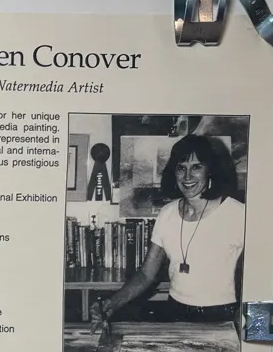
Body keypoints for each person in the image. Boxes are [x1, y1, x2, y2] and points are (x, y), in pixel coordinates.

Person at [90, 134, 245, 329]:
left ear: (210, 170)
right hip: (175, 313)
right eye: (181, 168)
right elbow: (146, 274)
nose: (187, 176)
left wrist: (242, 317)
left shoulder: (238, 214)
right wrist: (112, 303)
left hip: (221, 317)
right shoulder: (167, 213)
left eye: (196, 167)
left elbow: (262, 275)